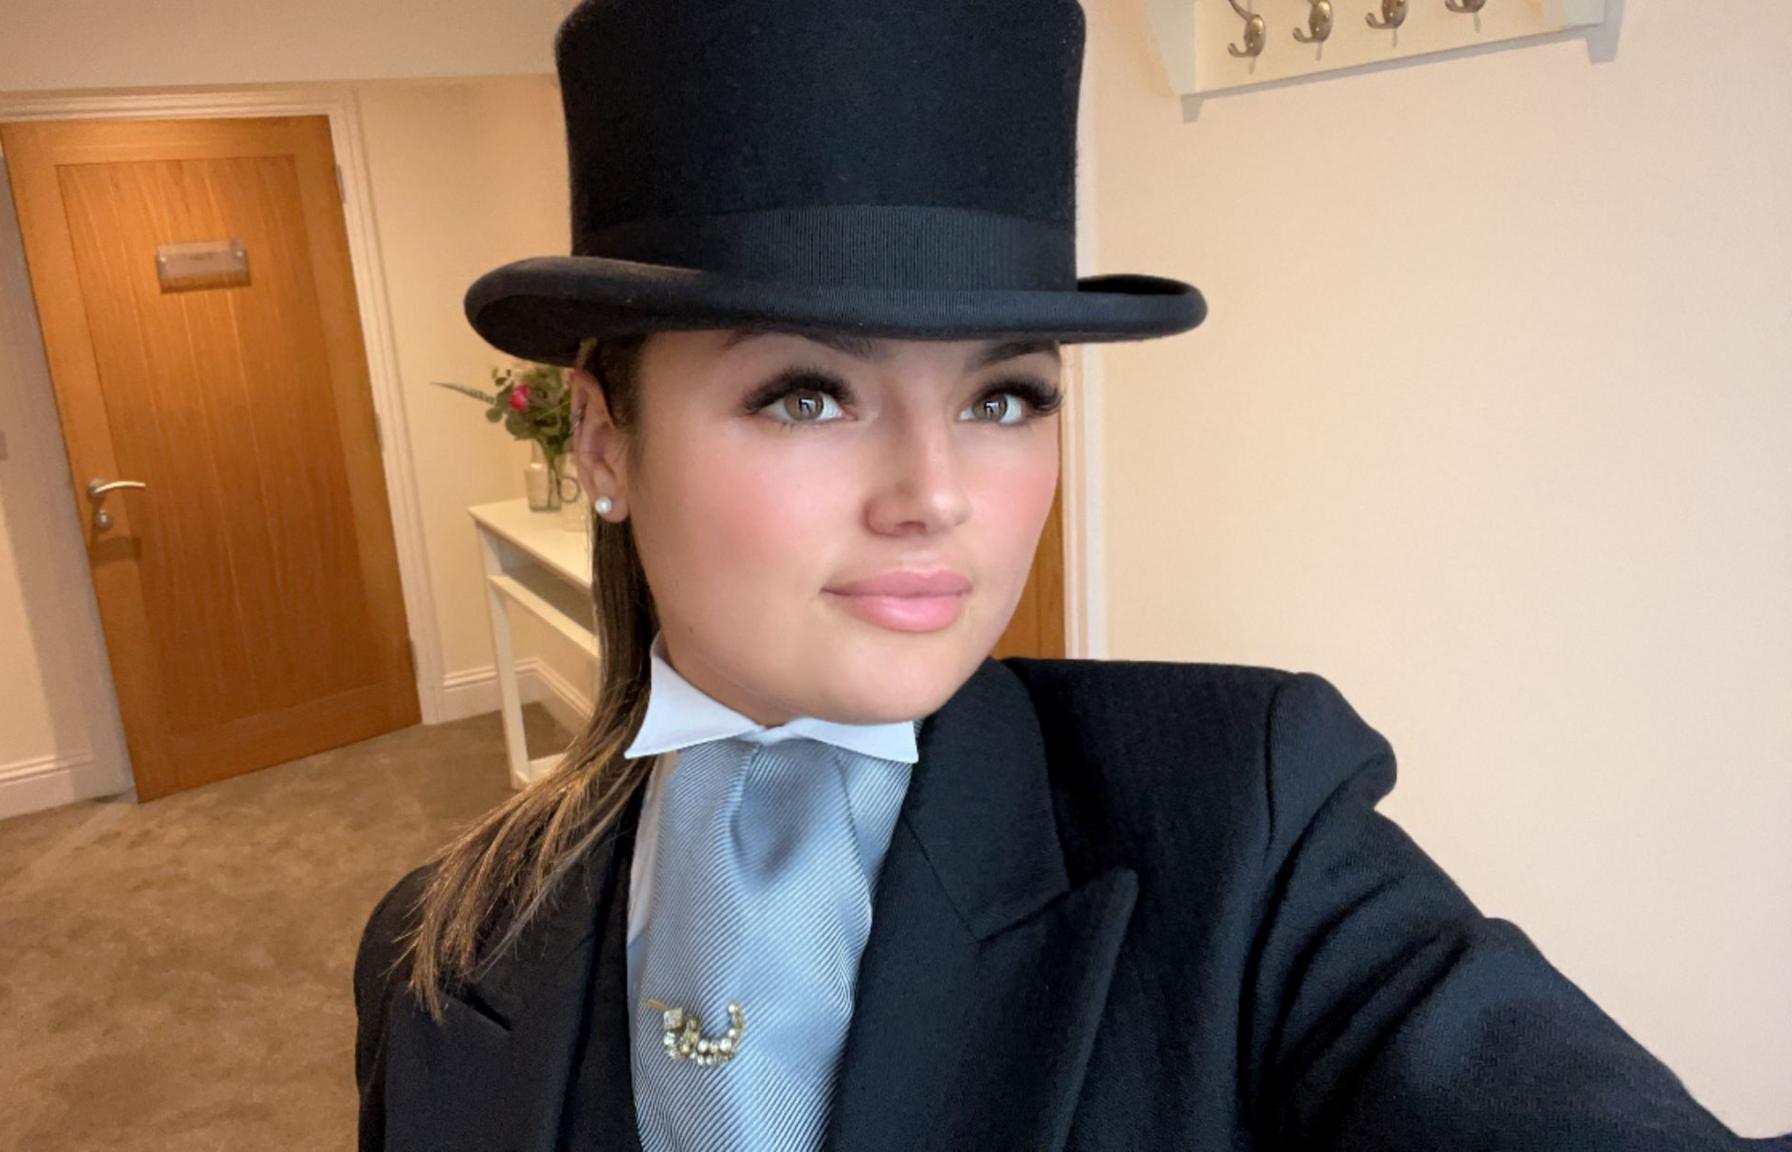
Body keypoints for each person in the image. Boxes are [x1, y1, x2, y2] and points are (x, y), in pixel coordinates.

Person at [355, 1, 1787, 1149]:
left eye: (1004, 398)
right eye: (807, 394)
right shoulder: (437, 952)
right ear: (606, 441)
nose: (936, 495)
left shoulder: (1247, 822)